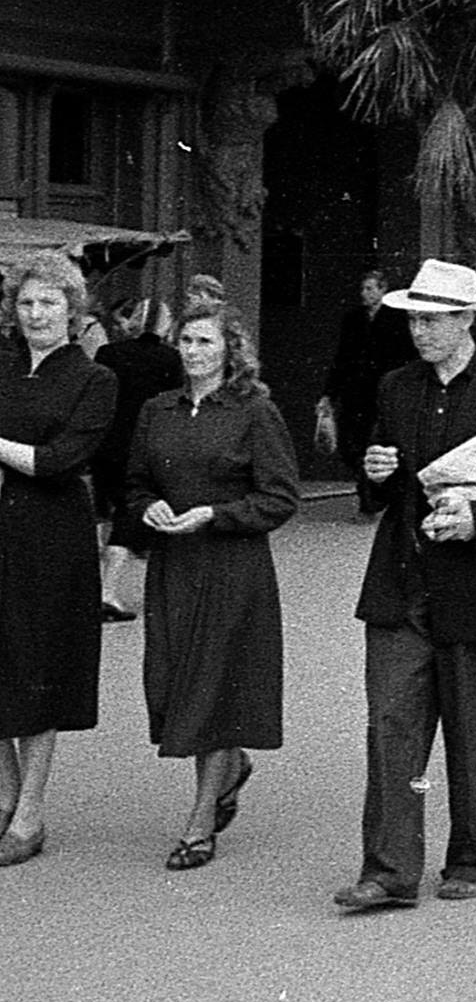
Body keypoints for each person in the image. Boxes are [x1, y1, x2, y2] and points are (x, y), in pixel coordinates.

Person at [334, 259, 476, 913]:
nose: (420, 332)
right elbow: (380, 487)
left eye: (433, 319)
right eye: (414, 319)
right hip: (402, 582)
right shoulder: (396, 387)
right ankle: (388, 870)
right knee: (391, 727)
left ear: (469, 320)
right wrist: (375, 469)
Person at [126, 301, 299, 870]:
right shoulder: (158, 410)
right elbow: (134, 484)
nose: (193, 352)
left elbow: (279, 497)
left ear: (229, 349)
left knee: (213, 686)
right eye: (186, 341)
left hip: (231, 569)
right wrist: (149, 506)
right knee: (175, 682)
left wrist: (215, 515)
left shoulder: (255, 411)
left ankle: (201, 822)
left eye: (204, 341)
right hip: (175, 567)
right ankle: (233, 765)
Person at [0, 252, 118, 868]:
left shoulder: (93, 380)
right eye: (26, 303)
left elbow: (58, 463)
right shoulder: (1, 365)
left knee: (38, 663)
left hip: (51, 537)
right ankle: (5, 793)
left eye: (48, 303)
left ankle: (32, 811)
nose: (35, 313)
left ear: (73, 312)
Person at [91, 296, 182, 620]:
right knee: (129, 519)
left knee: (108, 515)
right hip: (143, 447)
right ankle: (107, 593)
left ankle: (98, 585)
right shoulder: (171, 359)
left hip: (105, 446)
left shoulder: (108, 353)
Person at [315, 268, 415, 476]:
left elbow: (405, 354)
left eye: (370, 289)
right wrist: (329, 393)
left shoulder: (396, 319)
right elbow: (342, 357)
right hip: (355, 389)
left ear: (382, 290)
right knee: (352, 438)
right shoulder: (353, 319)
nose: (364, 293)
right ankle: (361, 475)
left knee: (379, 435)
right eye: (363, 288)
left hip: (382, 388)